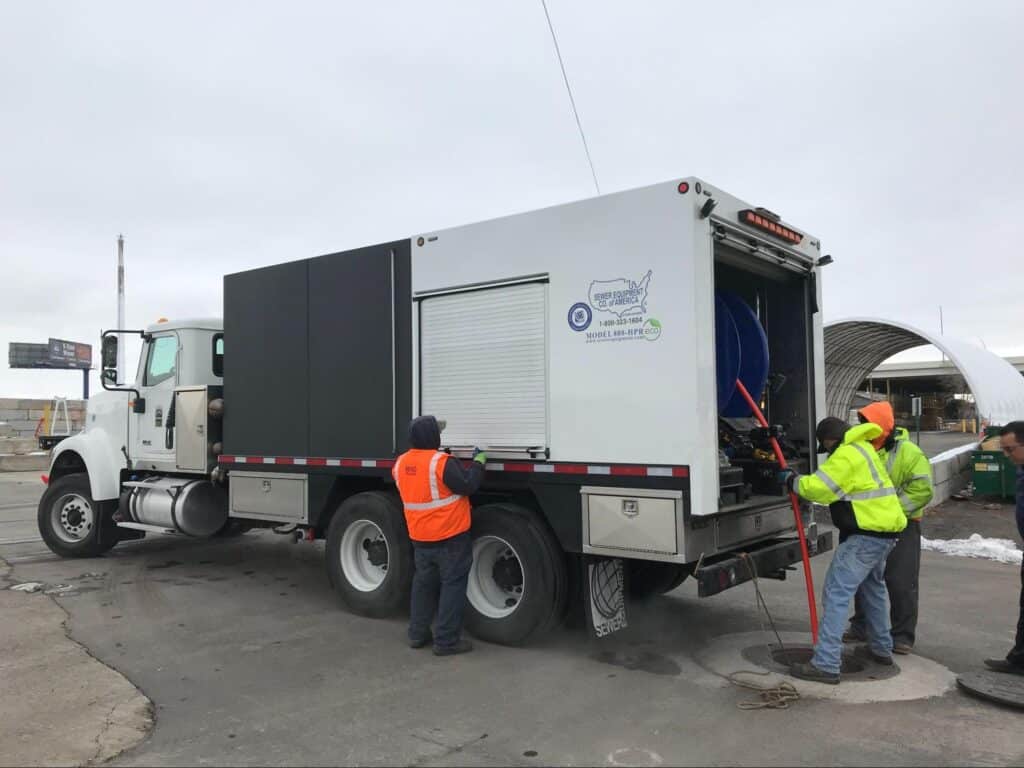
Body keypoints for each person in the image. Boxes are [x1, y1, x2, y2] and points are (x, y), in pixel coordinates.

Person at [778, 417, 907, 684]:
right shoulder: (864, 448)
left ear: (828, 441)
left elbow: (820, 489)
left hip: (865, 537)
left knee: (837, 593)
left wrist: (792, 480)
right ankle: (881, 649)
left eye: (825, 447)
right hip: (884, 534)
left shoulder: (846, 454)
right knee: (874, 589)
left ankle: (826, 664)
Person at [392, 416, 486, 656]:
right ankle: (446, 641)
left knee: (423, 585)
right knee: (452, 586)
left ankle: (417, 634)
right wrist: (478, 462)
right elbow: (468, 484)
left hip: (420, 539)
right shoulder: (441, 463)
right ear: (433, 437)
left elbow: (419, 482)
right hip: (449, 538)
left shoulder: (400, 464)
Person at [845, 402, 933, 654]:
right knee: (862, 578)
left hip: (902, 525)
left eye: (869, 422)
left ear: (883, 426)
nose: (864, 427)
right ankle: (861, 626)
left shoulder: (909, 452)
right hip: (869, 526)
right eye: (862, 422)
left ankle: (902, 636)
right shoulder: (862, 449)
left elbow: (923, 489)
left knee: (900, 580)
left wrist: (894, 512)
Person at [983, 420, 1024, 675]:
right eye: (1004, 451)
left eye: (1011, 450)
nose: (1007, 456)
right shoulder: (1021, 468)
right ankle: (1019, 660)